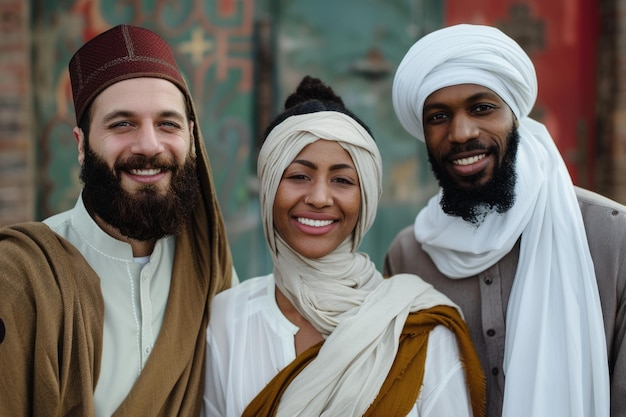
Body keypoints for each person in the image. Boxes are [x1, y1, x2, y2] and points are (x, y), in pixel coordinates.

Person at [202, 75, 485, 417]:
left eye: (342, 180)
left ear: (365, 196)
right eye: (298, 176)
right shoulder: (227, 319)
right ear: (268, 191)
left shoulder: (417, 326)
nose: (319, 198)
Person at [386, 23, 626, 417]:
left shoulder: (612, 238)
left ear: (515, 114)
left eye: (482, 108)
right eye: (438, 116)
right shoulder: (408, 255)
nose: (461, 133)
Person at [0, 24, 235, 416]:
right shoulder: (22, 276)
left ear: (192, 137)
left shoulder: (208, 271)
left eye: (168, 124)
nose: (149, 145)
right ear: (80, 144)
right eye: (122, 124)